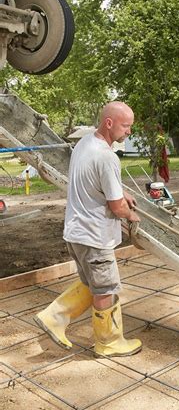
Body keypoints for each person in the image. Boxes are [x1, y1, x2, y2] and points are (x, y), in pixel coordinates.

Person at [34, 101, 142, 357]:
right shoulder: (107, 157)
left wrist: (120, 189)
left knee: (90, 282)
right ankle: (109, 342)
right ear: (109, 123)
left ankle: (54, 317)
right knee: (106, 288)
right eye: (126, 126)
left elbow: (90, 178)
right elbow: (117, 207)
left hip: (76, 233)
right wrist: (131, 215)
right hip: (95, 236)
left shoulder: (84, 144)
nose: (129, 132)